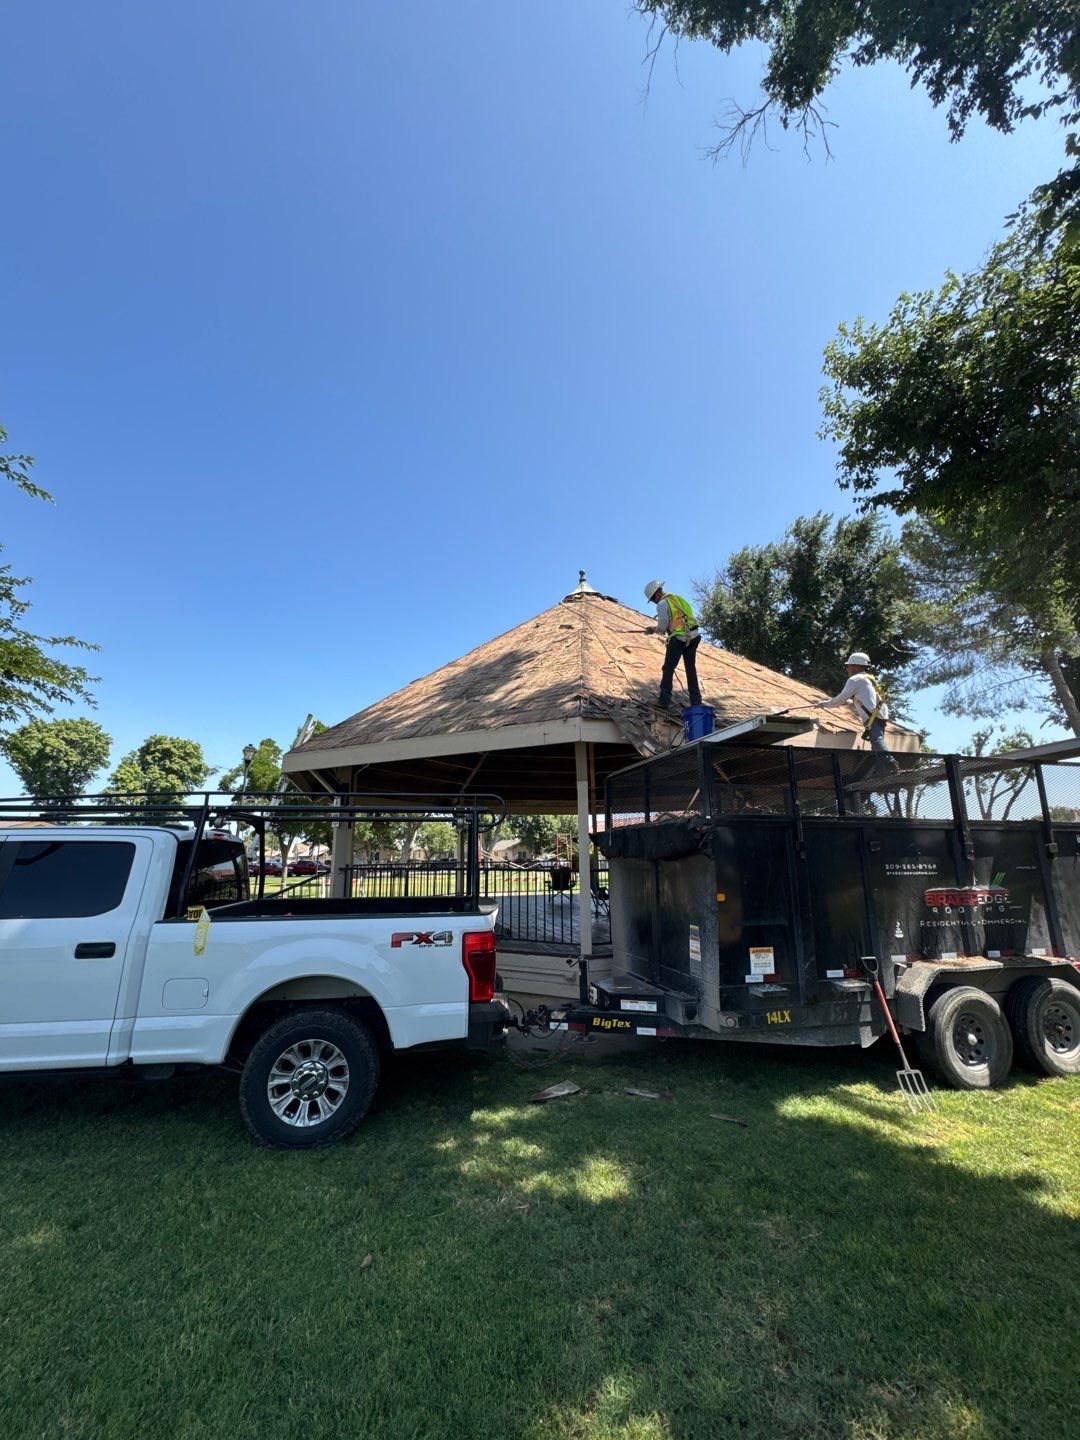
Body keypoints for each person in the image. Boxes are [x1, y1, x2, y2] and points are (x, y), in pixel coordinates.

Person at [815, 652, 893, 755]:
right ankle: (881, 768)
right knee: (876, 744)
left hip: (872, 716)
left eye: (849, 666)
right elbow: (868, 699)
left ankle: (889, 762)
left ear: (856, 666)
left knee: (877, 740)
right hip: (880, 714)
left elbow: (840, 699)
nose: (847, 669)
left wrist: (825, 704)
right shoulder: (868, 678)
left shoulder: (855, 679)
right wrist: (851, 702)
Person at [642, 579, 702, 709]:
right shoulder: (678, 599)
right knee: (691, 669)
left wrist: (652, 630)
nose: (654, 602)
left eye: (653, 599)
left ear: (657, 593)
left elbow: (662, 628)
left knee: (668, 668)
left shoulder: (662, 604)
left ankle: (663, 701)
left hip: (679, 638)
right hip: (694, 636)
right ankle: (696, 702)